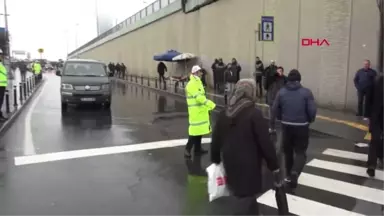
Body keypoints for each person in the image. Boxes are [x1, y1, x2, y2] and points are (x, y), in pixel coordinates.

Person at [210, 79, 281, 215]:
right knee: (247, 197)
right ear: (251, 93)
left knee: (239, 194)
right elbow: (265, 143)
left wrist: (215, 159)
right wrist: (274, 165)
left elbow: (216, 139)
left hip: (229, 162)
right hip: (249, 165)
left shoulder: (225, 113)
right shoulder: (254, 114)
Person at [271, 69, 317, 189]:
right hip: (302, 126)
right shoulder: (306, 92)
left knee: (288, 152)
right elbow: (312, 110)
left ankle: (288, 175)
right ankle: (295, 172)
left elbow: (275, 109)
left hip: (286, 125)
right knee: (301, 152)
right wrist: (310, 119)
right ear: (299, 79)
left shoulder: (282, 92)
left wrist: (279, 119)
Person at [184, 65, 216, 158]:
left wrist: (207, 108)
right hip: (195, 112)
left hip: (201, 111)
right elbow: (199, 98)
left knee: (199, 131)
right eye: (200, 72)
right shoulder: (191, 84)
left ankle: (198, 149)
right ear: (195, 73)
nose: (201, 73)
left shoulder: (198, 83)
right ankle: (187, 149)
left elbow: (202, 97)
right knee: (194, 132)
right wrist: (210, 104)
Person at [367, 74, 384, 177]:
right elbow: (368, 98)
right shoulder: (377, 81)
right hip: (376, 116)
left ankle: (381, 156)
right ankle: (371, 166)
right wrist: (367, 115)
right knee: (375, 139)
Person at [267, 66, 287, 133]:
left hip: (281, 100)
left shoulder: (285, 79)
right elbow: (266, 85)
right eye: (278, 71)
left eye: (280, 71)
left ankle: (284, 130)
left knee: (283, 116)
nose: (279, 72)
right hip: (272, 99)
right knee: (272, 116)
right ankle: (272, 128)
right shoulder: (272, 78)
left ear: (282, 72)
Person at [0, 49, 8, 122]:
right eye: (1, 55)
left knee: (1, 101)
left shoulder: (1, 64)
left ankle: (0, 114)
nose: (1, 56)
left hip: (2, 85)